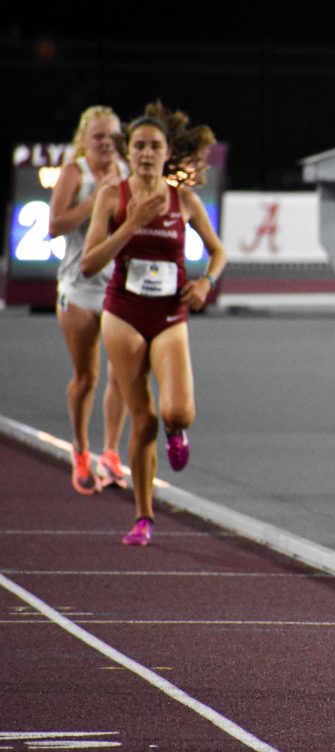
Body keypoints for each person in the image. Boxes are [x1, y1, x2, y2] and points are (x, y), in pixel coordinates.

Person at [81, 103, 225, 547]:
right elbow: (90, 264)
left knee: (177, 411)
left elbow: (219, 252)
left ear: (166, 153)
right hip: (123, 313)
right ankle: (144, 516)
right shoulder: (112, 196)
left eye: (154, 146)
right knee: (142, 422)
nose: (146, 153)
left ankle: (177, 431)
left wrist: (206, 283)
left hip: (169, 315)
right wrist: (132, 225)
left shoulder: (184, 199)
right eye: (139, 145)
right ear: (129, 151)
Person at [48, 106, 130, 494]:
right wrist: (96, 200)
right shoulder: (75, 173)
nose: (105, 144)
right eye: (97, 136)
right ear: (84, 139)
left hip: (119, 286)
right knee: (87, 377)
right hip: (79, 287)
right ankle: (80, 451)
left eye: (112, 136)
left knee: (124, 375)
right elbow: (55, 225)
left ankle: (111, 454)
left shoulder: (129, 172)